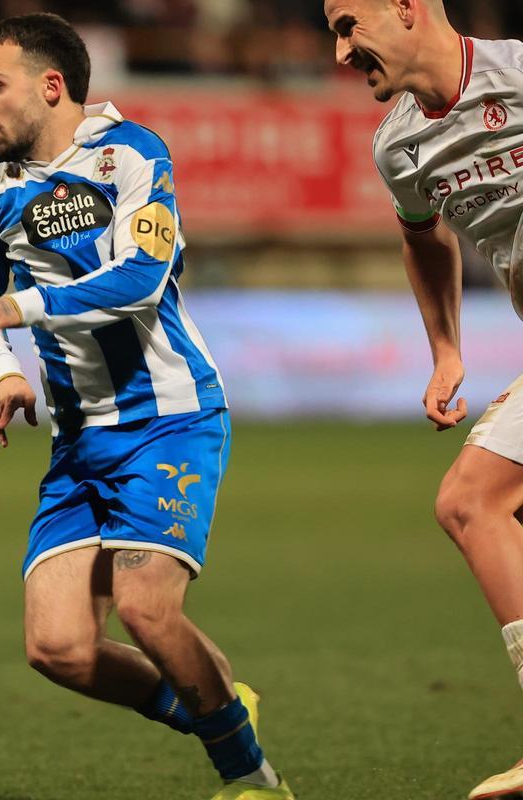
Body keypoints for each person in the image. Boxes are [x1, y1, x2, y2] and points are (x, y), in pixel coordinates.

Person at [0, 13, 293, 799]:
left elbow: (141, 279)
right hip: (77, 444)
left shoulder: (133, 155)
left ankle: (250, 780)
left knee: (145, 611)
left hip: (168, 417)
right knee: (59, 649)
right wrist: (1, 373)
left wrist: (22, 311)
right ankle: (218, 706)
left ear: (51, 85)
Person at [326, 0, 523, 796]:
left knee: (473, 501)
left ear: (407, 9)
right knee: (476, 505)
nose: (341, 51)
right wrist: (446, 350)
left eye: (348, 24)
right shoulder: (400, 145)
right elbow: (422, 234)